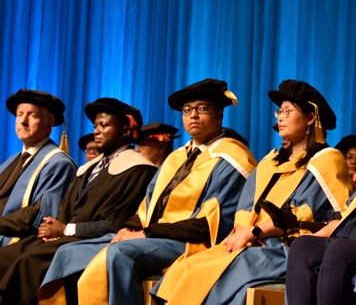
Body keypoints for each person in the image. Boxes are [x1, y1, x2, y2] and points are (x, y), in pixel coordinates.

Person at [40, 79, 257, 305]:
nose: (193, 115)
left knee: (118, 255)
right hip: (154, 235)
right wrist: (128, 228)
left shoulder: (233, 160)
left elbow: (209, 226)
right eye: (187, 110)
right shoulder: (177, 157)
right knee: (68, 253)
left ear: (219, 116)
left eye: (202, 109)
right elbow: (147, 204)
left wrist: (147, 233)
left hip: (193, 243)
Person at [151, 79, 352, 305]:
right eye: (279, 111)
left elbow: (318, 216)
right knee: (188, 266)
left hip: (285, 248)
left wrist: (253, 233)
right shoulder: (271, 160)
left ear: (311, 118)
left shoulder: (327, 160)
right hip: (250, 242)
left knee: (217, 275)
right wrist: (242, 234)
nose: (280, 117)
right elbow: (245, 207)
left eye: (288, 111)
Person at [0, 97, 156, 305]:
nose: (97, 131)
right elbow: (65, 209)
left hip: (94, 239)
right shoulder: (88, 169)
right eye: (95, 126)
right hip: (65, 236)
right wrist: (52, 229)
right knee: (5, 256)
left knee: (28, 263)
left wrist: (65, 230)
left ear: (126, 130)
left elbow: (115, 222)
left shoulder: (137, 170)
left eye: (104, 125)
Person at [286, 111, 356, 305]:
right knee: (302, 246)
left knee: (338, 249)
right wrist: (316, 236)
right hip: (352, 236)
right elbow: (344, 216)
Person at [0, 90, 76, 247]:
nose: (23, 121)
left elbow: (40, 215)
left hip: (21, 241)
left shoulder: (59, 164)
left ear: (48, 125)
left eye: (32, 115)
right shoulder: (11, 161)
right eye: (20, 114)